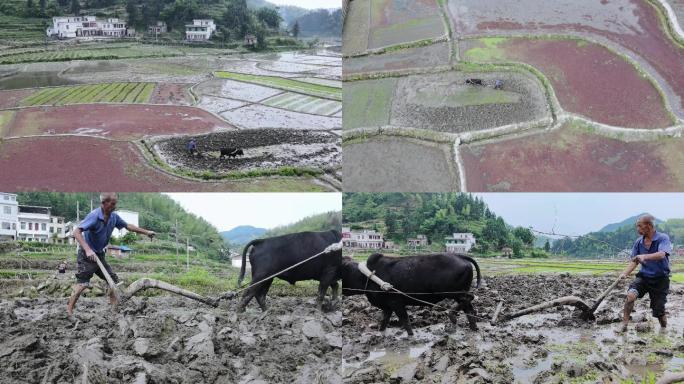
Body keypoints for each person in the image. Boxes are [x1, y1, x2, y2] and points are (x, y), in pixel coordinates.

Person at [67, 193, 155, 315]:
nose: (115, 206)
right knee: (82, 284)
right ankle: (68, 312)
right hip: (86, 255)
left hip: (99, 254)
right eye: (113, 204)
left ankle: (114, 310)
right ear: (104, 203)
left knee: (113, 281)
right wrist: (87, 250)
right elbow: (76, 232)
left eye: (115, 203)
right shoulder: (94, 216)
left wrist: (146, 232)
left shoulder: (114, 217)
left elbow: (128, 226)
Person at [618, 214, 672, 332]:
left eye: (639, 226)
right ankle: (624, 325)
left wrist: (645, 256)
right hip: (644, 277)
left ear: (648, 226)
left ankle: (663, 330)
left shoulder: (662, 238)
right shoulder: (638, 242)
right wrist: (624, 273)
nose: (637, 229)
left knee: (659, 311)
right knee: (630, 296)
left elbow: (662, 254)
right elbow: (635, 261)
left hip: (660, 280)